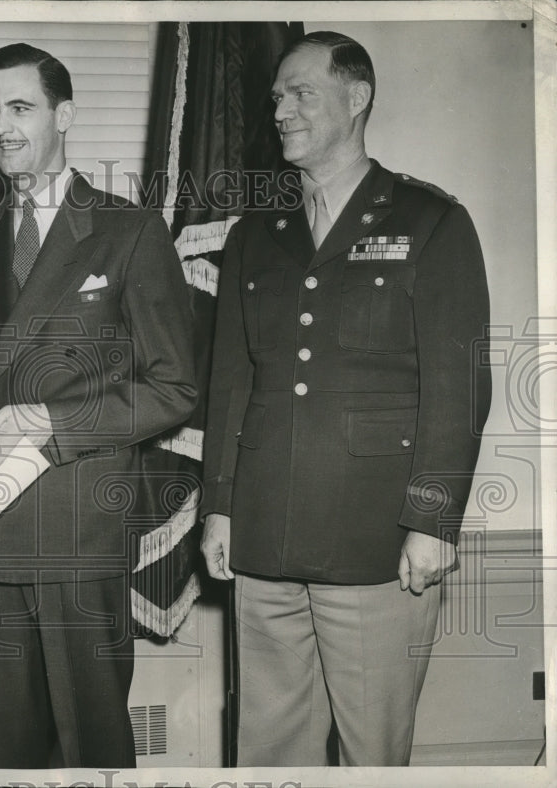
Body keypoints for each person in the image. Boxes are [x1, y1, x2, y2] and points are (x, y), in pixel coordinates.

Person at [0, 43, 197, 768]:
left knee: (92, 747)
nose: (2, 128)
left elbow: (174, 387)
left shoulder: (130, 232)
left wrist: (56, 422)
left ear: (66, 115)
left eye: (20, 108)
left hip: (78, 531)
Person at [199, 31, 491, 766]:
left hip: (377, 541)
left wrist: (432, 519)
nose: (281, 111)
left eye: (302, 93)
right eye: (276, 97)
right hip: (264, 535)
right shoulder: (254, 236)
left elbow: (458, 389)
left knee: (371, 753)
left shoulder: (430, 222)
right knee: (268, 751)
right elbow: (232, 384)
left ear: (357, 98)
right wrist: (220, 506)